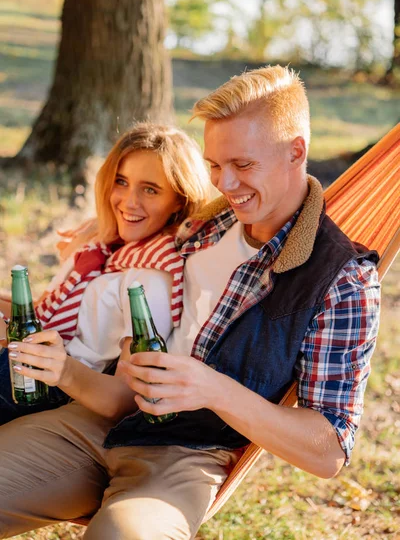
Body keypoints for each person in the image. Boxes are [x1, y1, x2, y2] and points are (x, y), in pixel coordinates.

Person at [0, 65, 380, 540]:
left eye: (242, 165)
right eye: (215, 166)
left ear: (295, 151)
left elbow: (327, 452)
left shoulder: (341, 279)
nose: (226, 184)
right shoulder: (202, 224)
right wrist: (101, 232)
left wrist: (213, 388)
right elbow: (144, 209)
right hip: (98, 420)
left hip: (185, 455)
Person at [0, 122, 211, 424]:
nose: (129, 202)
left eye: (150, 189)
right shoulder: (108, 247)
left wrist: (62, 371)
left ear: (179, 200)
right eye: (121, 182)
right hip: (28, 359)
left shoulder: (152, 277)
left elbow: (122, 400)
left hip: (47, 385)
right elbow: (43, 312)